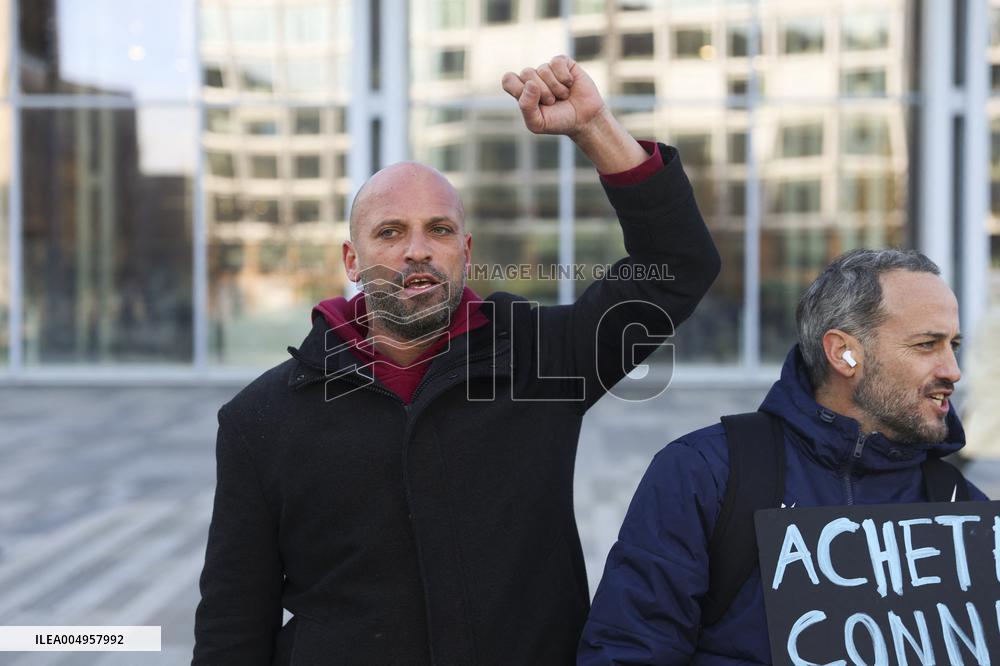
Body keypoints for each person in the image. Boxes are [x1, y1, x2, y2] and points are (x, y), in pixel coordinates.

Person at [192, 55, 720, 665]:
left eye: (438, 230)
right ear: (351, 260)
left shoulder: (540, 360)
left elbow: (680, 266)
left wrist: (595, 126)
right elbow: (233, 625)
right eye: (390, 233)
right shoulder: (261, 418)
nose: (418, 250)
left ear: (465, 251)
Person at [578, 248, 990, 664]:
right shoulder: (707, 474)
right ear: (844, 353)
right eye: (926, 345)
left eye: (953, 345)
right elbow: (629, 650)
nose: (952, 370)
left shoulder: (957, 505)